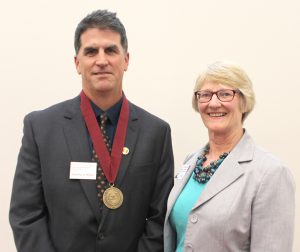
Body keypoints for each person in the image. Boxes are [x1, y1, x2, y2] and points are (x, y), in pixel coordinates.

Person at [9, 9, 174, 252]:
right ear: (77, 63)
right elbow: (26, 215)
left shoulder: (156, 133)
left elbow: (159, 219)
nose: (101, 60)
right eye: (90, 51)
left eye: (110, 50)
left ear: (126, 60)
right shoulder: (40, 128)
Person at [164, 61, 295, 252]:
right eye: (206, 95)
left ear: (244, 102)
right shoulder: (191, 162)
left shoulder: (271, 174)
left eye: (225, 94)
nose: (214, 103)